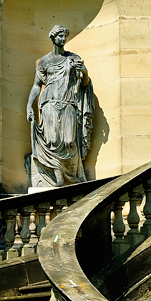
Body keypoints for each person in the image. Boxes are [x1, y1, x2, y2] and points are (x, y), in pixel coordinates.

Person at [26, 25, 93, 187]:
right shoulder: (44, 61)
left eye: (65, 36)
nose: (63, 39)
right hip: (48, 103)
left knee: (69, 140)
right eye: (60, 36)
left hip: (68, 103)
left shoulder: (73, 58)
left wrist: (84, 72)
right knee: (52, 140)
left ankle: (71, 175)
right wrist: (29, 105)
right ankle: (58, 175)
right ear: (53, 37)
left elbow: (84, 84)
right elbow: (36, 86)